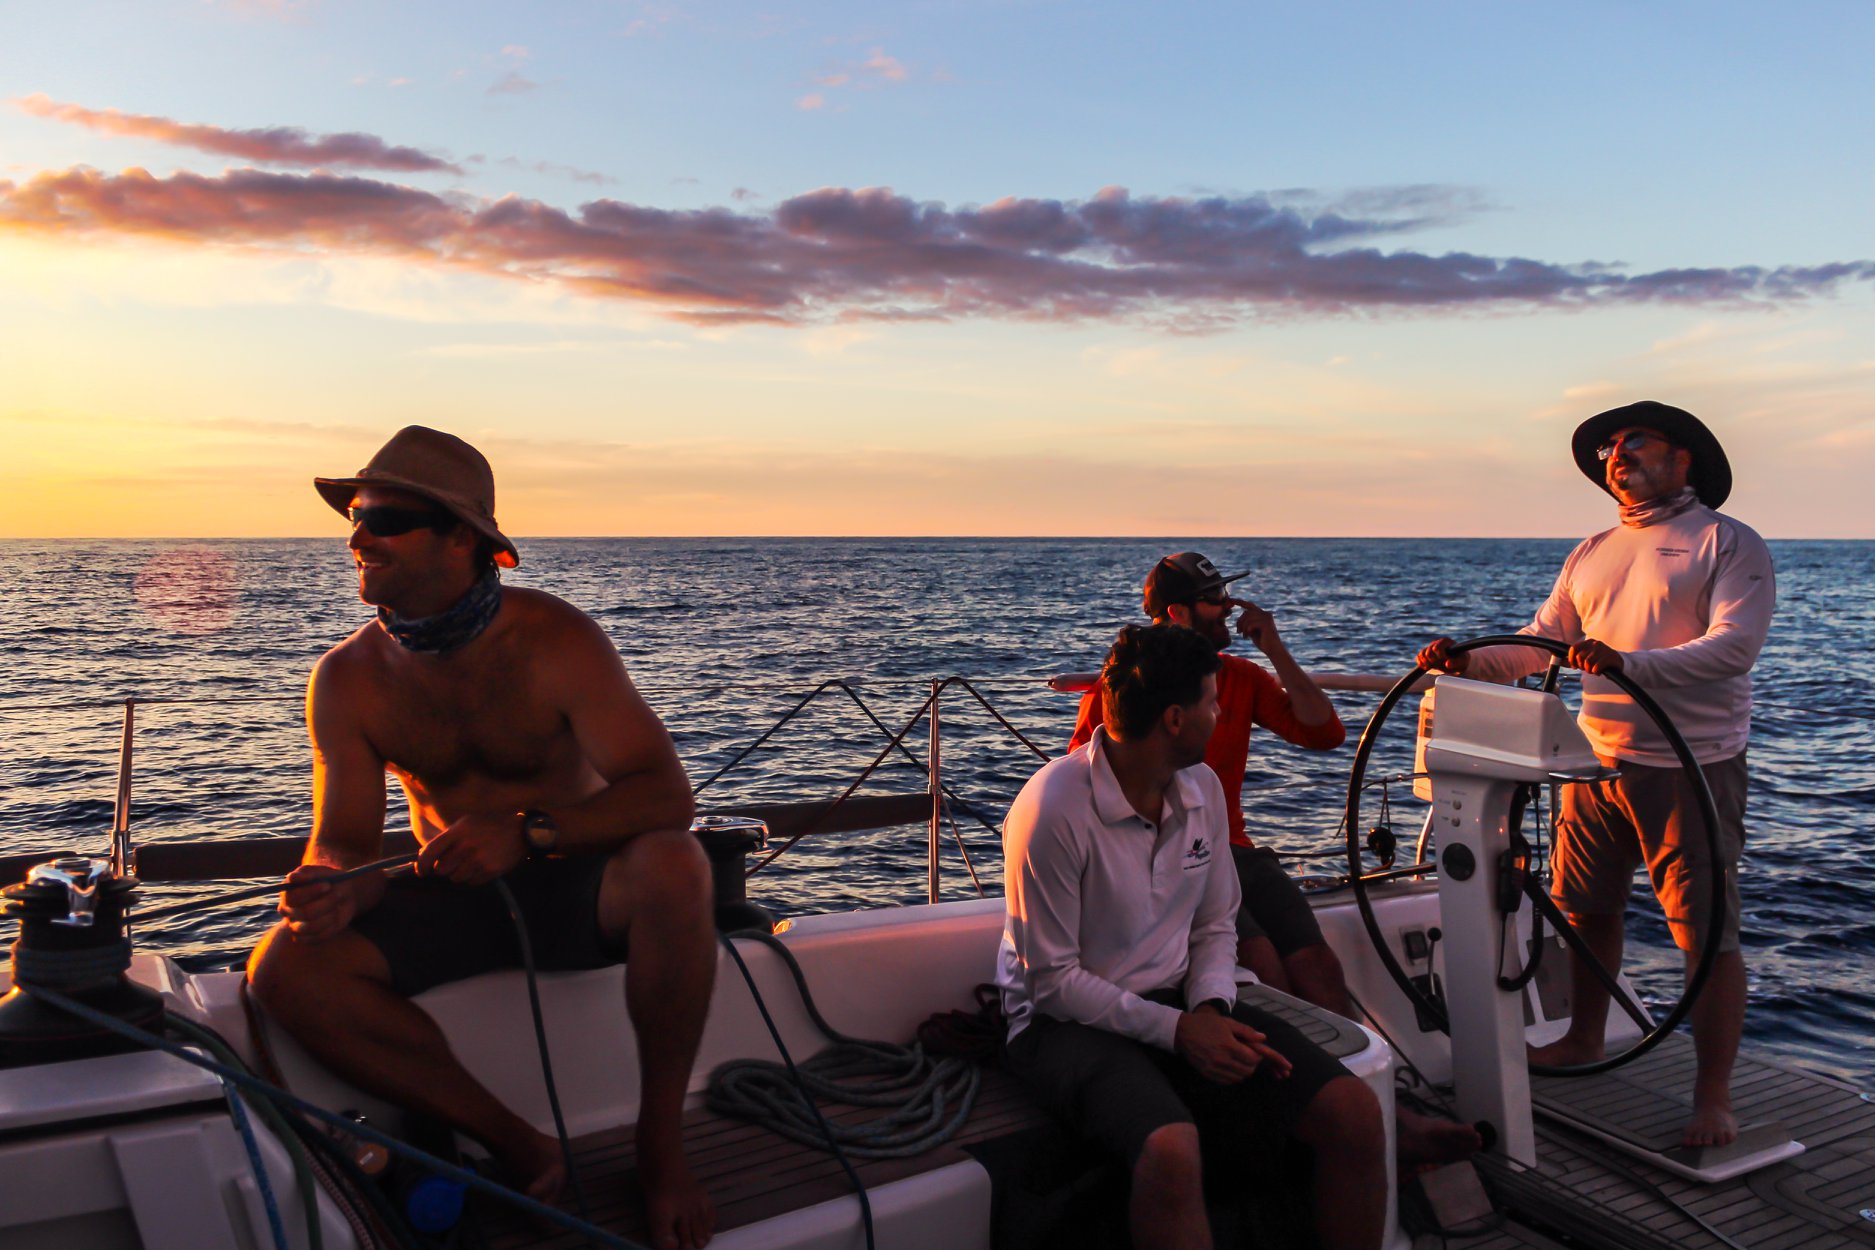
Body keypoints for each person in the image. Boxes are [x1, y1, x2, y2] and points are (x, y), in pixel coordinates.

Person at [247, 426, 718, 1250]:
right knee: (284, 967)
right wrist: (332, 882)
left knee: (677, 865)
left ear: (462, 536)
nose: (358, 539)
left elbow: (665, 795)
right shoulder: (345, 679)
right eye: (353, 519)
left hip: (579, 883)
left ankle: (659, 1142)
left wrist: (528, 833)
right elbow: (345, 841)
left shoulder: (557, 641)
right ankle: (514, 1142)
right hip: (455, 895)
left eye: (384, 518)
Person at [1418, 400, 1775, 1150]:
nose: (1615, 454)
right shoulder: (1591, 550)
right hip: (1593, 761)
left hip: (1691, 765)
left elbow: (1733, 647)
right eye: (1607, 446)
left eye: (1632, 441)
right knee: (1586, 909)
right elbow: (1542, 643)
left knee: (1703, 933)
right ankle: (1583, 1038)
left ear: (1683, 457)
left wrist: (1627, 663)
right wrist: (1467, 662)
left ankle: (1712, 1097)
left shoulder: (1725, 541)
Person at [1069, 554, 1481, 1166]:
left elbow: (1323, 734)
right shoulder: (1129, 689)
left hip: (1239, 852)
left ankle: (1375, 1102)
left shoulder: (1236, 675)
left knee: (1318, 963)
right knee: (1264, 970)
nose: (1230, 610)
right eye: (1215, 601)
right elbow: (1088, 780)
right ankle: (1301, 1120)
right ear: (1177, 613)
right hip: (1180, 858)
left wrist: (1275, 648)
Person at [1000, 623, 1387, 1250]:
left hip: (1180, 998)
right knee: (1172, 1148)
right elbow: (1050, 983)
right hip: (1062, 1024)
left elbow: (1214, 925)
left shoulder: (1202, 789)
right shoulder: (1051, 811)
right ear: (1176, 719)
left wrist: (1207, 1009)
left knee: (1353, 1114)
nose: (1223, 710)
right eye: (1213, 701)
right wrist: (1180, 1032)